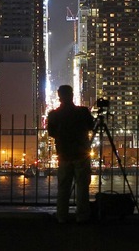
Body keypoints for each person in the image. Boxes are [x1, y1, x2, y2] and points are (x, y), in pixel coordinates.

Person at [47, 84, 94, 223]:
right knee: (82, 187)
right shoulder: (82, 112)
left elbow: (51, 133)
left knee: (63, 187)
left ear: (59, 96)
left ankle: (62, 216)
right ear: (72, 95)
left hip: (64, 154)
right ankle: (82, 216)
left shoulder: (54, 114)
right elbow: (91, 126)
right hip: (81, 153)